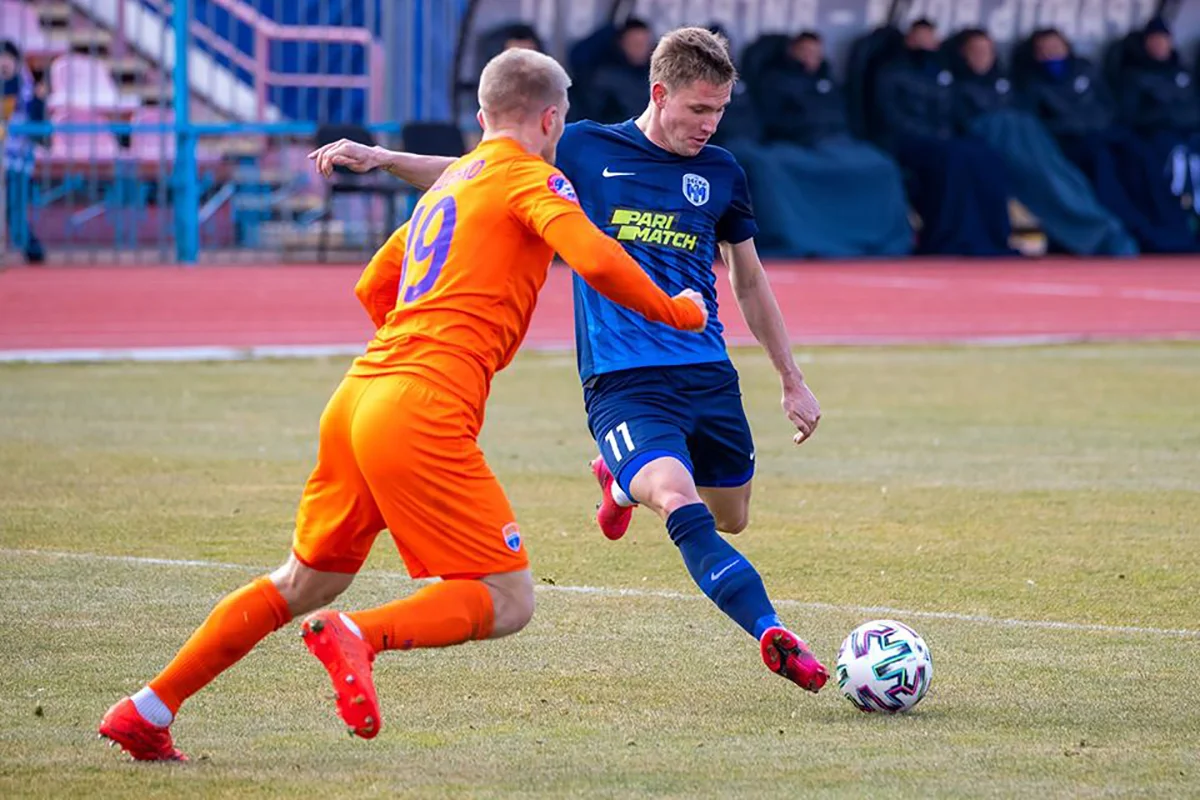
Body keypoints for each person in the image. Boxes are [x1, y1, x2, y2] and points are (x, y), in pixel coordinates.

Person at [97, 48, 707, 762]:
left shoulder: (451, 185)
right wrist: (678, 311)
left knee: (305, 580)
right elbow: (596, 258)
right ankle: (360, 635)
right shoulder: (533, 178)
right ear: (550, 120)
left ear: (481, 115)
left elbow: (373, 285)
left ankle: (146, 708)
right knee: (508, 599)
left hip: (360, 393)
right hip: (419, 403)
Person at [310, 27, 830, 695]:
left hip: (706, 373)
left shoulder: (722, 171)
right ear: (659, 93)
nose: (710, 124)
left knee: (731, 516)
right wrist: (381, 157)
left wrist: (791, 379)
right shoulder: (583, 148)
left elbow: (749, 280)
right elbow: (475, 174)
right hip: (622, 380)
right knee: (677, 498)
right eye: (699, 109)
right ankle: (770, 630)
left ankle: (618, 483)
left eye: (720, 110)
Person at [950, 29, 1137, 256]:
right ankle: (1096, 234)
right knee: (1047, 182)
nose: (982, 57)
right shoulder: (957, 86)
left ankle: (1106, 231)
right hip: (1003, 145)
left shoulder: (1005, 84)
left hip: (1037, 143)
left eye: (987, 51)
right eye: (975, 51)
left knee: (1068, 178)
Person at [873, 19, 1016, 256]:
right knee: (954, 158)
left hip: (944, 140)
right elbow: (890, 117)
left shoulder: (943, 73)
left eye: (929, 38)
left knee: (984, 155)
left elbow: (954, 112)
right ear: (908, 40)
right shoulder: (891, 72)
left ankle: (991, 237)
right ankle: (950, 236)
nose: (924, 44)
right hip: (909, 141)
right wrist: (932, 135)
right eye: (919, 38)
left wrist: (947, 133)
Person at [1, 40, 45, 263]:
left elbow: (37, 123)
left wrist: (39, 99)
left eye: (7, 58)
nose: (3, 63)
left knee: (14, 205)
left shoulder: (26, 88)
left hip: (17, 157)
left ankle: (30, 247)